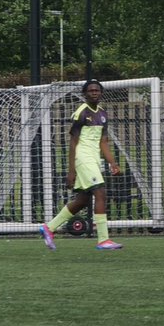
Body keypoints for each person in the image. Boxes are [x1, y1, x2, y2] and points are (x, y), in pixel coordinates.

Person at [38, 79, 123, 250]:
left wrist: (113, 163)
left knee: (83, 200)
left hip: (94, 159)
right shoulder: (81, 113)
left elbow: (103, 142)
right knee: (100, 193)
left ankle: (49, 227)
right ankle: (103, 239)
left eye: (97, 90)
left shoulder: (103, 114)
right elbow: (73, 143)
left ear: (101, 93)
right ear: (84, 94)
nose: (94, 93)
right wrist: (71, 171)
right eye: (91, 90)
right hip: (83, 158)